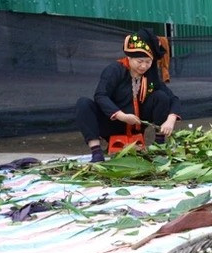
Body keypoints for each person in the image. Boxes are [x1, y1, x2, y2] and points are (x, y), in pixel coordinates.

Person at [75, 28, 182, 162]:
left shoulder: (150, 76)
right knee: (83, 104)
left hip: (137, 125)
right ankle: (96, 153)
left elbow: (173, 99)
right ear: (129, 58)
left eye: (148, 62)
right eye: (139, 61)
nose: (143, 66)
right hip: (113, 123)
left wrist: (170, 120)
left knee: (161, 96)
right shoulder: (115, 70)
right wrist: (122, 116)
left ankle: (159, 145)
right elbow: (101, 95)